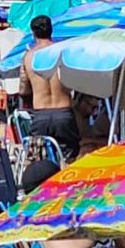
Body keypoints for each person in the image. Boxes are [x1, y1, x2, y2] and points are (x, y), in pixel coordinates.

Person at [20, 16, 81, 161]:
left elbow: (23, 90)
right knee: (69, 159)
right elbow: (77, 83)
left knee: (38, 160)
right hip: (64, 113)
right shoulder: (63, 53)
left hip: (41, 115)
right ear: (51, 31)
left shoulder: (28, 57)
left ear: (33, 33)